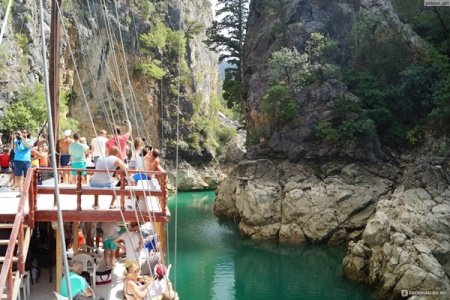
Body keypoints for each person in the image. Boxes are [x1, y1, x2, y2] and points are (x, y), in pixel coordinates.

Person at [12, 129, 33, 197]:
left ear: (27, 133)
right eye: (22, 132)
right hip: (17, 160)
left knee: (27, 177)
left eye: (24, 132)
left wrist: (23, 138)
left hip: (26, 160)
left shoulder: (30, 140)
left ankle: (28, 191)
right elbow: (12, 148)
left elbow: (29, 146)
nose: (23, 133)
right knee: (18, 177)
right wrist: (13, 138)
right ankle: (21, 192)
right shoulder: (17, 141)